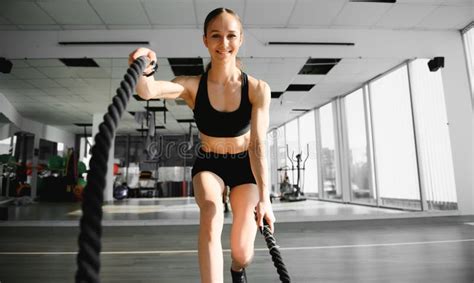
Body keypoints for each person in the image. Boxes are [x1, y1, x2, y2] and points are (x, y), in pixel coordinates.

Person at [129, 7, 275, 283]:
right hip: (210, 164)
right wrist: (144, 69)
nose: (224, 43)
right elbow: (148, 91)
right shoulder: (192, 86)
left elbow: (257, 145)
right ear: (205, 40)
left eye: (231, 36)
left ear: (241, 39)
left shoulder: (257, 89)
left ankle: (236, 269)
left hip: (245, 165)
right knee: (211, 212)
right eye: (216, 36)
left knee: (242, 253)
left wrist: (266, 198)